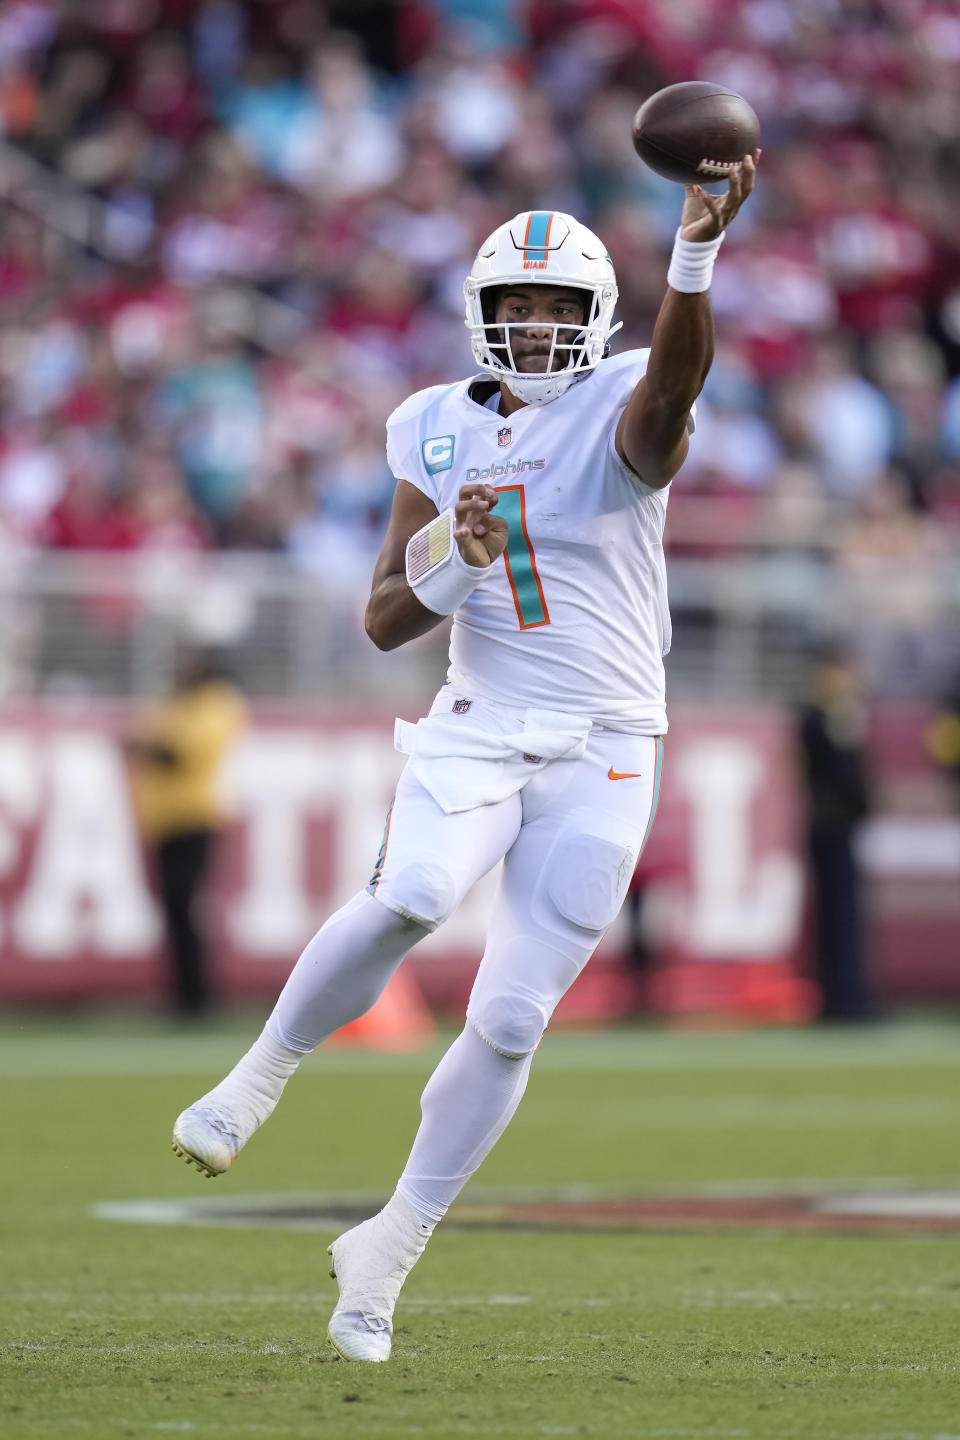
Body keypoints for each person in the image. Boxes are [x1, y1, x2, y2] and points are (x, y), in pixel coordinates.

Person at [171, 156, 759, 1360]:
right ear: (484, 314)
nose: (537, 326)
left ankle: (385, 1251)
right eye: (518, 306)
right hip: (480, 726)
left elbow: (677, 385)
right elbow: (387, 617)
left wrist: (694, 254)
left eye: (557, 307)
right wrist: (454, 552)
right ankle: (260, 1077)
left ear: (593, 319)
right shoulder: (431, 425)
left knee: (509, 1022)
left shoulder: (630, 395)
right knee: (415, 895)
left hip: (607, 743)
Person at [127, 647, 247, 1018]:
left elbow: (181, 754)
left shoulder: (218, 704)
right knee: (174, 909)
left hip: (195, 818)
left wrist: (144, 744)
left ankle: (196, 997)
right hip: (165, 822)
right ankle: (182, 994)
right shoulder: (176, 703)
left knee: (185, 905)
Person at [796, 641, 873, 1022]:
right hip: (828, 826)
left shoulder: (839, 714)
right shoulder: (816, 716)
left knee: (845, 914)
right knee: (836, 915)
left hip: (843, 826)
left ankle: (849, 995)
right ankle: (840, 1000)